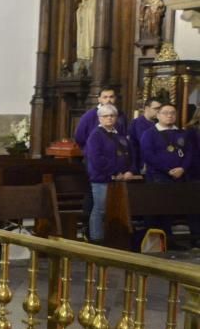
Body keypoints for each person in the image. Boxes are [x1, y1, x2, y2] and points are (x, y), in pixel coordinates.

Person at [139, 103, 200, 247]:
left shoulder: (181, 133)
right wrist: (167, 170)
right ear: (158, 115)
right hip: (157, 177)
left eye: (172, 113)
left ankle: (169, 241)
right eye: (165, 113)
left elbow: (189, 153)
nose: (169, 115)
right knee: (157, 210)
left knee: (172, 211)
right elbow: (148, 155)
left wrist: (183, 168)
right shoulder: (149, 133)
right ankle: (155, 243)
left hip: (179, 177)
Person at [84, 104, 136, 243]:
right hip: (102, 178)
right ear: (99, 118)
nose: (109, 118)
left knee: (116, 209)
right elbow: (97, 159)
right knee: (100, 209)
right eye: (106, 116)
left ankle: (114, 237)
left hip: (120, 179)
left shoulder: (120, 136)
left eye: (112, 116)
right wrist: (115, 172)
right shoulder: (95, 136)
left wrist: (130, 170)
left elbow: (130, 154)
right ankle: (96, 238)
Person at [130, 97, 162, 168]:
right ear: (147, 108)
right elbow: (145, 142)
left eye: (160, 109)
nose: (159, 111)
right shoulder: (138, 123)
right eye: (156, 108)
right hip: (142, 162)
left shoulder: (159, 123)